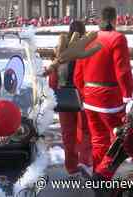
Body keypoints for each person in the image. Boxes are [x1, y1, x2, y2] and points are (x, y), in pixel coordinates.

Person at [74, 6, 133, 182]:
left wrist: (84, 93)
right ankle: (103, 175)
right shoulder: (118, 38)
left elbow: (78, 73)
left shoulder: (88, 39)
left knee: (99, 140)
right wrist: (127, 95)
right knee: (119, 141)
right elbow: (122, 70)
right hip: (110, 99)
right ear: (115, 19)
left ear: (99, 20)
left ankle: (99, 176)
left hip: (90, 98)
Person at [48, 21, 92, 178]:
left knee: (68, 134)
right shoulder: (87, 49)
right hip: (82, 96)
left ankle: (71, 167)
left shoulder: (60, 49)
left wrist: (53, 92)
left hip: (64, 96)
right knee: (85, 131)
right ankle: (85, 161)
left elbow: (52, 76)